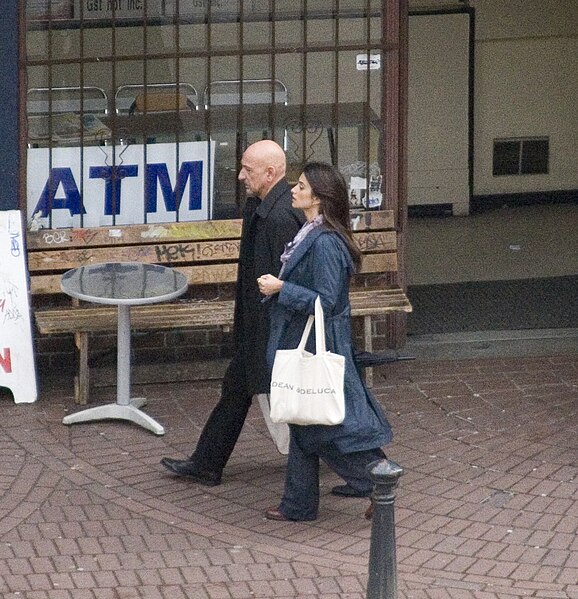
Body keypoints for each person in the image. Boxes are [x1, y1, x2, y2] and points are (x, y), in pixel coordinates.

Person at [160, 140, 305, 485]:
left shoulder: (280, 216)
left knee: (299, 401)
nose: (240, 175)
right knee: (238, 390)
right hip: (260, 326)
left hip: (269, 329)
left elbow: (283, 280)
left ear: (270, 173)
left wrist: (267, 335)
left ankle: (363, 466)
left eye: (248, 169)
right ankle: (207, 463)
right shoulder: (263, 207)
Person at [257, 161, 392, 521]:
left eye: (300, 186)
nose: (293, 191)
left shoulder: (325, 242)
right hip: (315, 340)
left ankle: (379, 481)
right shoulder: (311, 233)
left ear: (318, 196)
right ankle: (299, 504)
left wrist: (282, 287)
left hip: (322, 343)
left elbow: (327, 299)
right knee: (306, 423)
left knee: (324, 425)